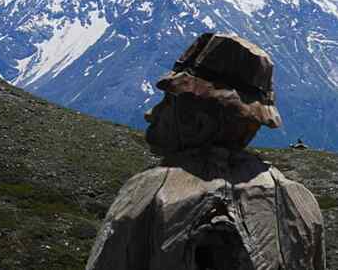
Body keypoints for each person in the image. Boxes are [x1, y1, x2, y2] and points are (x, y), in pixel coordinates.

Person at [86, 33, 325, 270]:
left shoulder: (147, 193)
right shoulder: (297, 200)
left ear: (200, 122)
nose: (152, 113)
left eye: (168, 103)